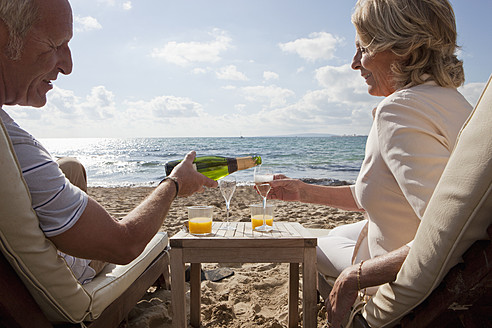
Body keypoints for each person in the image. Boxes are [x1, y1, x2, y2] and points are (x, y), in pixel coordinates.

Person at [267, 0, 472, 326]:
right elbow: (384, 193)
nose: (353, 64)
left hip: (397, 274)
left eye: (362, 48)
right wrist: (302, 191)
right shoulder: (454, 104)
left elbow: (450, 231)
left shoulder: (401, 112)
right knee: (333, 233)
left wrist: (356, 276)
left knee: (306, 246)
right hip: (397, 242)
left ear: (402, 48)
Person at [0, 0, 217, 284]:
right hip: (70, 270)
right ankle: (161, 275)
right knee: (156, 241)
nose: (68, 66)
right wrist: (174, 184)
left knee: (72, 168)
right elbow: (124, 244)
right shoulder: (15, 151)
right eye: (55, 45)